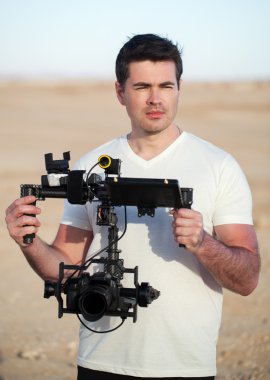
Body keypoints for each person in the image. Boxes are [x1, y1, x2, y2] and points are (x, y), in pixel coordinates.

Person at [5, 34, 260, 380]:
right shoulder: (91, 165)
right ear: (120, 92)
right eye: (141, 86)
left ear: (179, 89)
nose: (155, 99)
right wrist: (29, 242)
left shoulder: (218, 166)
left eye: (165, 85)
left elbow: (247, 279)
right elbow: (64, 268)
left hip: (184, 366)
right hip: (101, 361)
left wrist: (203, 243)